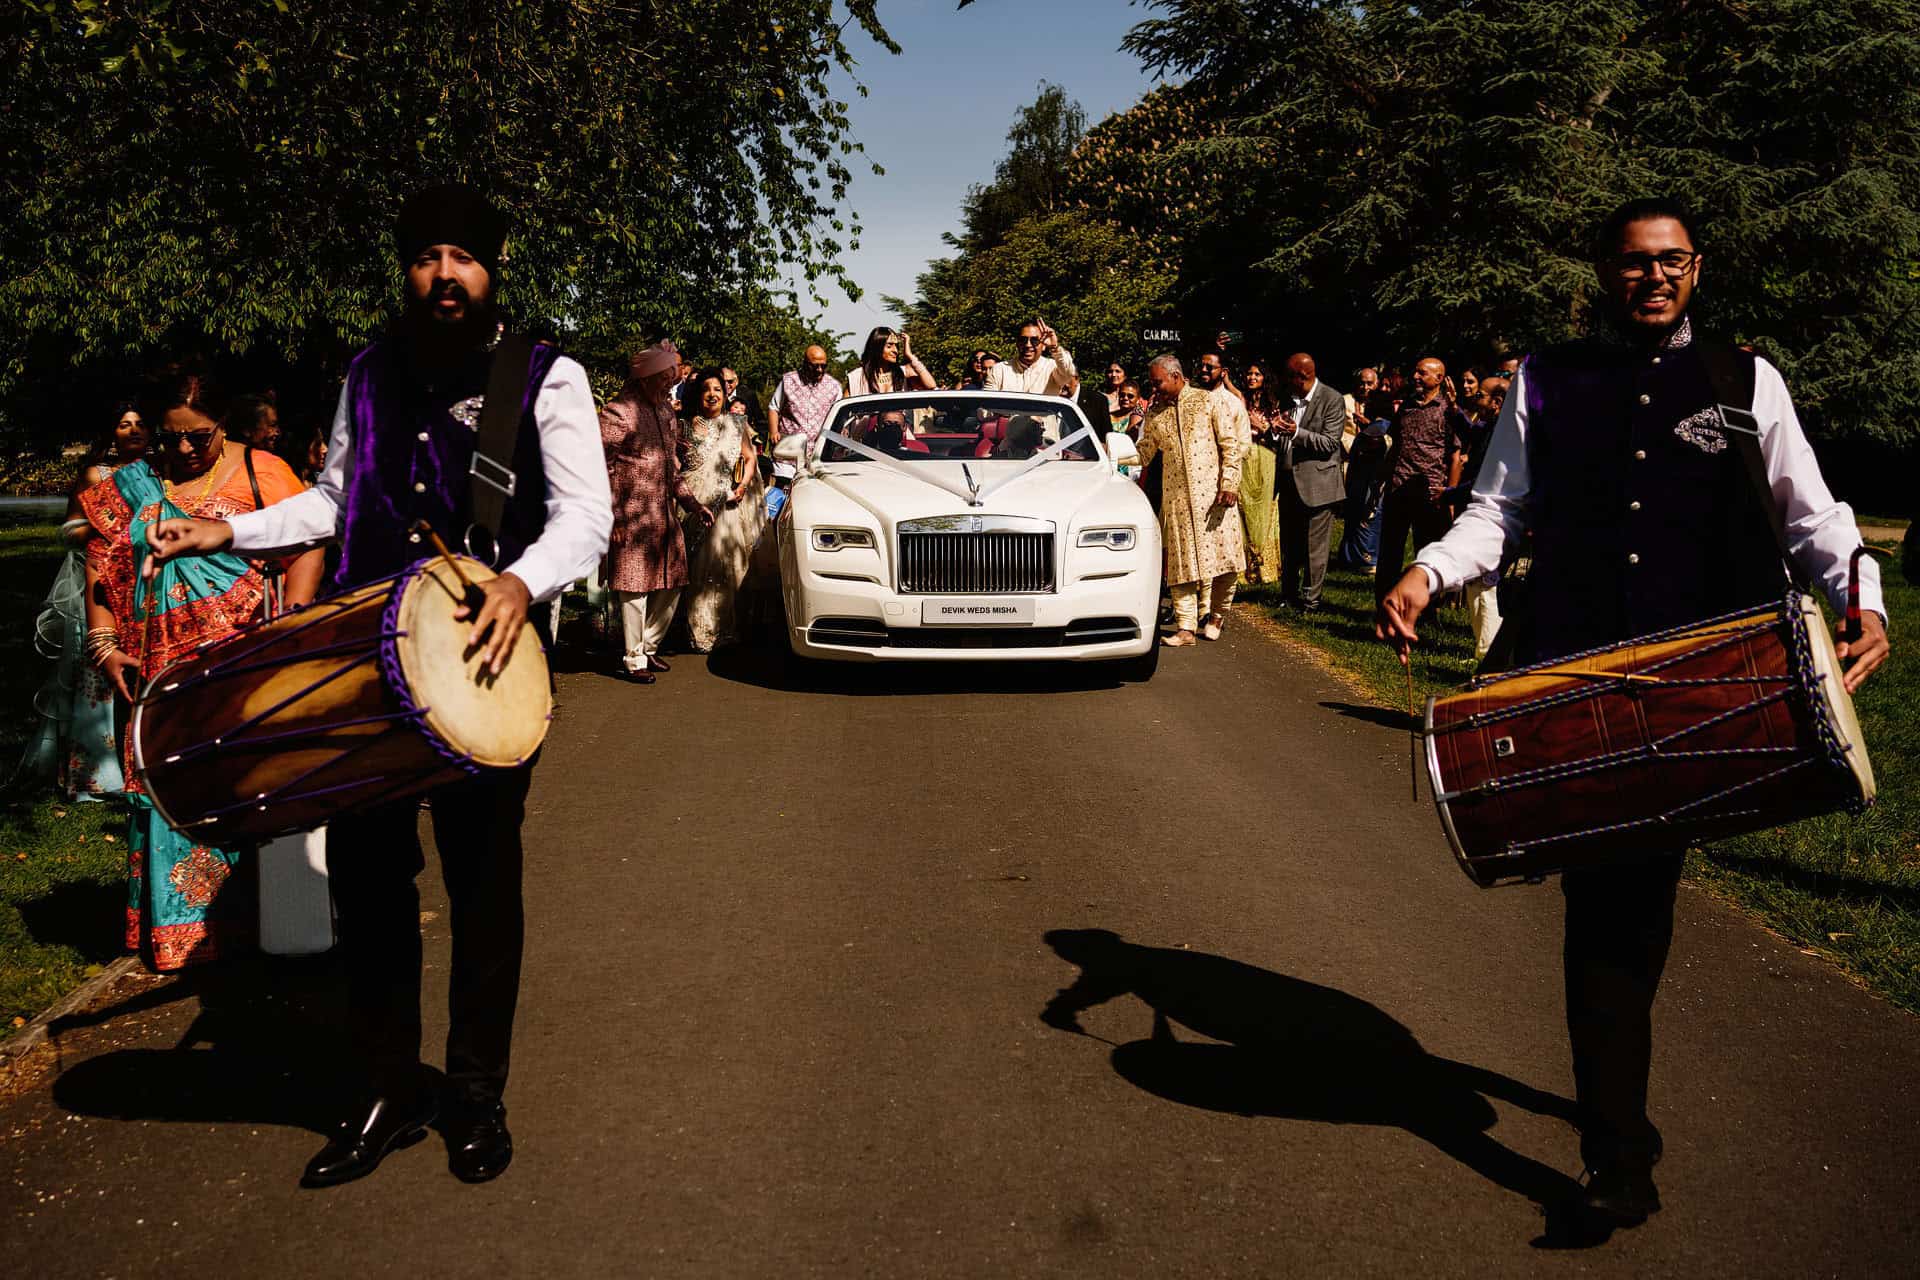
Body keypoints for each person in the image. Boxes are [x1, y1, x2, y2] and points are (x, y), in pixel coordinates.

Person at [1377, 197, 1890, 1231]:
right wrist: (1427, 573)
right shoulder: (1546, 378)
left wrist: (1861, 590)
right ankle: (1618, 1151)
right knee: (1607, 913)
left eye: (1672, 261)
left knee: (1635, 916)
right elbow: (1497, 509)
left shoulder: (1748, 381)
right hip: (1580, 680)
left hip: (1710, 683)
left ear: (1696, 268)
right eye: (1633, 262)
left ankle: (1619, 1116)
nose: (1653, 278)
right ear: (1604, 272)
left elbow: (1810, 510)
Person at [143, 183, 614, 1188]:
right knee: (371, 889)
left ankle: (478, 1095)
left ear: (492, 269)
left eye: (464, 257)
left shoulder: (545, 374)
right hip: (359, 671)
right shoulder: (366, 371)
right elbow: (329, 499)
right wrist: (230, 528)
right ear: (406, 267)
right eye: (425, 255)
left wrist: (519, 582)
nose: (444, 274)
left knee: (485, 891)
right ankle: (390, 1086)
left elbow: (586, 516)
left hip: (481, 669)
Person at [80, 368, 323, 972]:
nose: (184, 450)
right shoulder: (129, 485)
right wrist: (105, 644)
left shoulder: (262, 472)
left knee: (243, 790)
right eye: (170, 437)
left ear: (224, 425)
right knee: (169, 793)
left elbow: (309, 542)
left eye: (199, 437)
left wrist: (290, 621)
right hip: (152, 672)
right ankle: (178, 933)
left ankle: (262, 922)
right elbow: (99, 565)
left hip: (239, 668)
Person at [13, 404, 147, 800]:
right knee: (96, 673)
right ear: (112, 433)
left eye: (141, 424)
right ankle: (95, 774)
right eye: (125, 424)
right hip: (101, 580)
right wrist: (111, 528)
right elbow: (71, 528)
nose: (134, 431)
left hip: (147, 582)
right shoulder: (96, 474)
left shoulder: (164, 476)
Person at [606, 341, 708, 683]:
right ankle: (633, 658)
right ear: (645, 378)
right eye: (664, 379)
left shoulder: (666, 412)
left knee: (674, 581)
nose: (670, 385)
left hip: (663, 514)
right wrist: (614, 515)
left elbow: (672, 469)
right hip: (631, 515)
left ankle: (648, 646)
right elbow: (598, 468)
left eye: (672, 379)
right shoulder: (617, 413)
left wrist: (692, 503)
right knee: (634, 588)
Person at [1135, 355, 1245, 645]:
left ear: (1175, 376)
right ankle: (1185, 629)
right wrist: (1109, 450)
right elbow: (1144, 453)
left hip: (1215, 497)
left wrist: (1230, 483)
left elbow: (1230, 445)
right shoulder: (1155, 413)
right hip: (1178, 501)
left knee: (1226, 563)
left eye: (1157, 381)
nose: (1154, 387)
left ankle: (1217, 615)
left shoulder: (1208, 401)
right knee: (1181, 565)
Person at [678, 368, 766, 652]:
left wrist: (742, 486)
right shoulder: (684, 426)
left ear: (726, 393)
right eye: (707, 390)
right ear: (698, 395)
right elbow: (677, 466)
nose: (713, 394)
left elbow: (749, 457)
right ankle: (697, 629)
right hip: (693, 503)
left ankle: (724, 628)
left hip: (726, 503)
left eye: (718, 389)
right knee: (697, 569)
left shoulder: (736, 424)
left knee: (724, 565)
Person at [1372, 357, 1472, 602]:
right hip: (1399, 487)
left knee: (1426, 553)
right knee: (1389, 553)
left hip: (1430, 492)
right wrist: (1383, 479)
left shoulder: (1448, 410)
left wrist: (1449, 492)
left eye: (1422, 373)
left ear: (1439, 378)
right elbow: (1395, 443)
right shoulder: (1407, 405)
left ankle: (1425, 608)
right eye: (1415, 372)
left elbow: (1455, 455)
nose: (1415, 377)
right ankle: (1384, 604)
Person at [1267, 353, 1348, 611]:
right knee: (1289, 543)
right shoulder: (1287, 399)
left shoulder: (1331, 399)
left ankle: (1310, 601)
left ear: (1301, 377)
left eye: (1289, 377)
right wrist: (1273, 431)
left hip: (1319, 484)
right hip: (1289, 481)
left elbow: (1329, 443)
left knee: (1315, 547)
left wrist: (1296, 432)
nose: (1285, 382)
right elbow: (1282, 441)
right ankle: (1287, 595)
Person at [1199, 353, 1273, 584]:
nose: (1252, 377)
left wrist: (1263, 429)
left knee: (1257, 513)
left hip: (1255, 460)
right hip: (1215, 469)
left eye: (1257, 374)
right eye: (1249, 374)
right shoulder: (1201, 400)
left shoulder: (1244, 402)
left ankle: (1258, 566)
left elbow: (1248, 441)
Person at [767, 345, 844, 483]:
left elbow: (838, 418)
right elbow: (774, 407)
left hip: (817, 457)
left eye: (823, 366)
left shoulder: (834, 387)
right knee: (783, 494)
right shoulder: (788, 380)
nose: (819, 370)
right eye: (815, 366)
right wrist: (773, 432)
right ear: (805, 364)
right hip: (787, 454)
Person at [985, 319, 1077, 397]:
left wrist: (1054, 348)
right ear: (1017, 343)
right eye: (1023, 340)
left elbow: (1068, 372)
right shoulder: (999, 370)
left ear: (1044, 345)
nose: (1028, 345)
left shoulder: (1052, 367)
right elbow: (985, 405)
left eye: (1035, 340)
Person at [847, 327, 936, 397]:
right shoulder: (857, 377)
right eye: (889, 346)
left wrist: (910, 356)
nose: (895, 351)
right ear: (877, 348)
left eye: (897, 346)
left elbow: (931, 386)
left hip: (898, 420)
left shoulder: (903, 373)